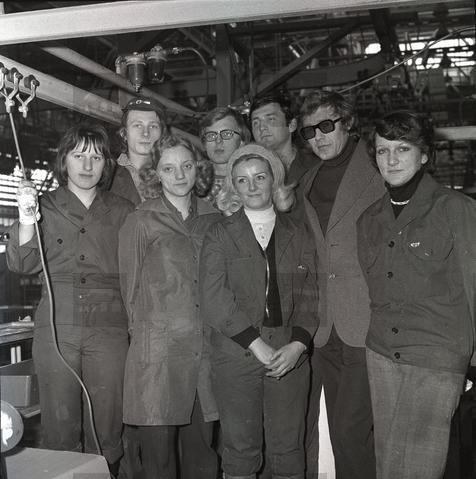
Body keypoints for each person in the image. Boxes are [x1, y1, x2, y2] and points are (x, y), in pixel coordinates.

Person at [6, 123, 134, 476]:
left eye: (96, 157)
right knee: (60, 425)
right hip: (57, 324)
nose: (87, 165)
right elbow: (21, 265)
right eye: (79, 156)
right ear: (64, 160)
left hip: (109, 325)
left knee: (107, 424)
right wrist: (26, 219)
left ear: (107, 164)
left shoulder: (124, 210)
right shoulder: (44, 205)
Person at [357, 110, 476, 479]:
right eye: (382, 151)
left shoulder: (455, 208)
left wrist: (472, 362)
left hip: (436, 355)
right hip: (382, 353)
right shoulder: (369, 219)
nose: (391, 159)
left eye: (402, 149)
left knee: (420, 466)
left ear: (424, 155)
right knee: (388, 463)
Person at [200, 144, 318, 479]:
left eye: (260, 177)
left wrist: (298, 345)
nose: (252, 186)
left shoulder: (298, 232)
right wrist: (256, 344)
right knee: (240, 452)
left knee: (289, 451)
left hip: (288, 353)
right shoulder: (219, 234)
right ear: (233, 187)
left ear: (274, 180)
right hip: (236, 353)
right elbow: (213, 297)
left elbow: (312, 294)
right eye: (242, 180)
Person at [118, 134, 219, 479]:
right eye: (169, 168)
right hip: (157, 359)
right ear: (156, 174)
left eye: (187, 166)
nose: (179, 175)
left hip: (204, 354)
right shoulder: (140, 220)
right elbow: (129, 294)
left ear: (198, 169)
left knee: (203, 456)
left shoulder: (214, 220)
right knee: (159, 462)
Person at [299, 90, 385, 479]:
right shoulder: (306, 181)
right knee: (339, 431)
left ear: (347, 123)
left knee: (352, 431)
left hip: (366, 321)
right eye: (309, 131)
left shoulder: (380, 166)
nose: (318, 137)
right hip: (324, 326)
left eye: (326, 126)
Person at [249, 93, 315, 197]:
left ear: (292, 125)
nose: (261, 128)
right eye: (256, 123)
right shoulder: (248, 172)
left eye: (271, 119)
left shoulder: (314, 166)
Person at [110, 96, 167, 205]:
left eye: (153, 126)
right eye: (138, 125)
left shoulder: (173, 174)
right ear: (124, 133)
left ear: (162, 134)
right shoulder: (107, 173)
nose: (145, 133)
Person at [199, 106, 250, 204]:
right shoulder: (193, 180)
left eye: (226, 134)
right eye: (211, 135)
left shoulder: (253, 180)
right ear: (204, 144)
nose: (218, 141)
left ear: (241, 141)